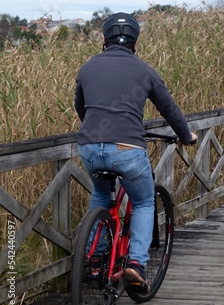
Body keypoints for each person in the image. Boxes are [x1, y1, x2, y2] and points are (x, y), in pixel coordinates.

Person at [74, 12, 197, 287]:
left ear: (103, 39)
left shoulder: (88, 67)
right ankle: (135, 263)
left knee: (100, 192)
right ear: (135, 41)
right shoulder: (144, 70)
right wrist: (186, 136)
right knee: (142, 201)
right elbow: (170, 110)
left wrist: (98, 133)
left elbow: (80, 107)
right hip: (127, 147)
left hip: (90, 147)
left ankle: (95, 257)